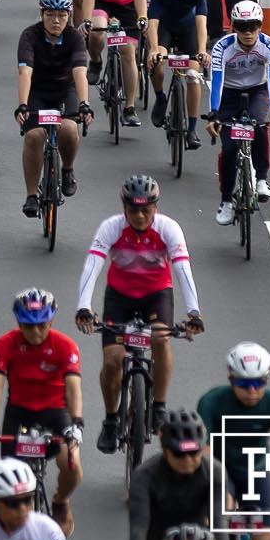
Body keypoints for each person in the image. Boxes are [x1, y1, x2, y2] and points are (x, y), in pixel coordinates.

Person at [75, 175, 203, 452]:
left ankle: (158, 405)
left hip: (156, 296)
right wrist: (83, 306)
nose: (141, 216)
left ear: (156, 207)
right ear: (125, 208)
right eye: (134, 210)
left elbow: (182, 269)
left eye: (147, 210)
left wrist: (193, 312)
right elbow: (93, 266)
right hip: (119, 297)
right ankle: (111, 420)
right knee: (112, 360)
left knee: (161, 339)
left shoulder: (169, 229)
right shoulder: (111, 227)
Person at [0, 288, 86, 535]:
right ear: (19, 323)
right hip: (18, 413)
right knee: (7, 483)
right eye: (28, 327)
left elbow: (73, 389)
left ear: (51, 321)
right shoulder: (5, 345)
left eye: (42, 326)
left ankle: (60, 501)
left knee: (72, 465)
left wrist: (76, 424)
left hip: (54, 413)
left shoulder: (65, 346)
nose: (36, 333)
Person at [195, 346, 270, 540]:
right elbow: (203, 453)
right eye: (244, 383)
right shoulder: (211, 401)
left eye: (259, 383)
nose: (252, 390)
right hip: (220, 471)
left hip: (256, 473)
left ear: (267, 379)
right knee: (220, 519)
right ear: (231, 379)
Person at [16, 0, 90, 219]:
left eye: (61, 15)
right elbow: (25, 72)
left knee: (68, 129)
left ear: (69, 15)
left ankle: (67, 169)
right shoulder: (29, 35)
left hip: (64, 90)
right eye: (50, 15)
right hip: (38, 90)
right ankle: (31, 196)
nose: (56, 20)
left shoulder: (75, 37)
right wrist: (22, 105)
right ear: (42, 14)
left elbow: (79, 72)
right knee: (34, 136)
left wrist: (84, 103)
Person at [207, 1, 270, 222]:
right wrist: (213, 113)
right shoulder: (223, 47)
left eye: (253, 26)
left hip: (257, 91)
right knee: (229, 148)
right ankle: (227, 201)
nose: (248, 32)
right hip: (229, 94)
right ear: (233, 27)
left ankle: (261, 179)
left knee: (260, 126)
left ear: (260, 26)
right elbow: (217, 81)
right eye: (241, 26)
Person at [80, 0, 151, 127]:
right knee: (97, 31)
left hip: (129, 5)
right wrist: (86, 21)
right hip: (103, 1)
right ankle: (95, 60)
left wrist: (142, 18)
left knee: (128, 52)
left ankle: (129, 108)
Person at [124, 412, 214, 540]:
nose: (187, 460)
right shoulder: (143, 476)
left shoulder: (214, 472)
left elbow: (220, 525)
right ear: (165, 451)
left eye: (194, 453)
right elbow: (138, 529)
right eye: (179, 454)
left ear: (202, 449)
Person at [146, 0, 209, 151]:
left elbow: (201, 24)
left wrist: (201, 51)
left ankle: (191, 129)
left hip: (188, 31)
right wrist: (154, 49)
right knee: (157, 63)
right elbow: (153, 24)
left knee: (192, 75)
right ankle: (160, 97)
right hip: (166, 30)